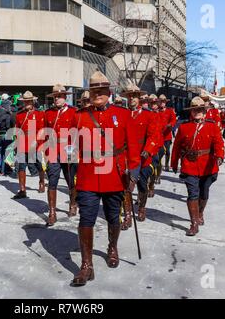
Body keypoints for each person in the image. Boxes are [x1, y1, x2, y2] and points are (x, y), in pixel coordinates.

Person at [70, 71, 139, 287]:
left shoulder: (123, 114)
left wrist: (133, 174)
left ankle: (112, 246)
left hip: (114, 175)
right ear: (89, 94)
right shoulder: (79, 115)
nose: (97, 95)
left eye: (101, 91)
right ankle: (86, 266)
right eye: (94, 91)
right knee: (86, 219)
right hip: (88, 175)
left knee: (112, 217)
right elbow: (70, 143)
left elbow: (133, 146)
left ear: (109, 92)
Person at [171, 97, 225, 236]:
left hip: (208, 165)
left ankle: (200, 212)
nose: (197, 112)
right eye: (194, 110)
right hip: (190, 165)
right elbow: (176, 147)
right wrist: (174, 163)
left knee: (204, 192)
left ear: (204, 111)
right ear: (191, 111)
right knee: (192, 194)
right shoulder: (184, 127)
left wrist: (219, 156)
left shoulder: (212, 126)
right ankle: (194, 223)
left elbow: (219, 143)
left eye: (199, 110)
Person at [121, 92, 160, 227]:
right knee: (127, 186)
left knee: (142, 185)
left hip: (142, 155)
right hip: (127, 155)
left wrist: (148, 149)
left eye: (134, 96)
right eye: (129, 96)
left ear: (139, 98)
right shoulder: (123, 114)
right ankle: (128, 216)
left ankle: (141, 208)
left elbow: (153, 135)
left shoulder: (148, 115)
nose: (132, 98)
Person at [44, 84, 78, 226]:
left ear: (65, 97)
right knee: (52, 181)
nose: (57, 99)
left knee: (71, 179)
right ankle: (52, 212)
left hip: (69, 149)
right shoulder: (48, 113)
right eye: (55, 96)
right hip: (53, 150)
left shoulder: (74, 112)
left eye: (60, 96)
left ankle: (72, 203)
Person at [12, 91, 46, 199]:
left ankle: (41, 181)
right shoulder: (19, 114)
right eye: (25, 101)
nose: (27, 103)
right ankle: (22, 190)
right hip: (22, 142)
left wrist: (38, 142)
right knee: (21, 167)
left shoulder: (39, 114)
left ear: (32, 101)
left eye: (29, 101)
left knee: (38, 164)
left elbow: (42, 130)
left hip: (34, 143)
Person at [0, 94, 15, 176]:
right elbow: (9, 125)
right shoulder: (8, 114)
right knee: (8, 153)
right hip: (6, 134)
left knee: (0, 153)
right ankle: (6, 170)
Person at [158, 94, 177, 172]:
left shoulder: (170, 111)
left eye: (163, 101)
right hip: (158, 136)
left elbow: (174, 120)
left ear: (165, 102)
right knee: (159, 152)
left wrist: (170, 124)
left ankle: (166, 165)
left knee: (167, 151)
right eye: (161, 101)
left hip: (167, 135)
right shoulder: (156, 111)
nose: (162, 103)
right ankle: (158, 165)